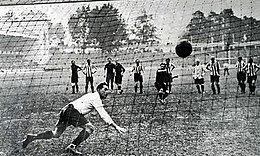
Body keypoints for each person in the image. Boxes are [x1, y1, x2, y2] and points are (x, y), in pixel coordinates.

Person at [22, 82, 127, 155]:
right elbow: (103, 114)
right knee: (90, 128)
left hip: (66, 110)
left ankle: (33, 137)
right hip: (72, 112)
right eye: (105, 89)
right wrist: (115, 126)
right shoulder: (96, 97)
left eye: (108, 89)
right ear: (98, 90)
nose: (107, 91)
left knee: (56, 134)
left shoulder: (91, 95)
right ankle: (72, 147)